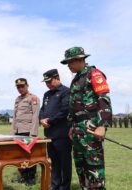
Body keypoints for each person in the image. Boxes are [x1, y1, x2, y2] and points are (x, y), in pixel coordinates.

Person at [61, 46, 112, 190]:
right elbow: (74, 106)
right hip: (78, 131)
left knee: (94, 168)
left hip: (91, 130)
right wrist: (72, 126)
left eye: (70, 62)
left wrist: (102, 125)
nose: (69, 66)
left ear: (79, 60)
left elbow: (104, 99)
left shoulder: (94, 74)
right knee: (81, 168)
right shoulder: (76, 79)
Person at [39, 69, 72, 190]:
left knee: (64, 163)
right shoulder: (46, 94)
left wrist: (49, 121)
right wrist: (41, 119)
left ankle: (65, 186)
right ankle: (55, 185)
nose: (48, 84)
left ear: (57, 78)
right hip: (49, 134)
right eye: (46, 82)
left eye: (49, 81)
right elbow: (42, 110)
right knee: (53, 162)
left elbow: (64, 111)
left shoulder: (66, 91)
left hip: (62, 134)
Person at [11, 78, 40, 186]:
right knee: (20, 155)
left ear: (27, 85)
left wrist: (33, 133)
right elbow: (14, 116)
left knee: (29, 155)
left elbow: (35, 116)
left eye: (22, 86)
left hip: (28, 131)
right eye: (18, 87)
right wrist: (12, 132)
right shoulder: (17, 99)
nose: (20, 89)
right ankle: (23, 176)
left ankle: (31, 178)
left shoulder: (33, 98)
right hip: (18, 131)